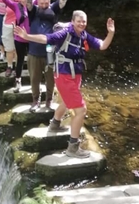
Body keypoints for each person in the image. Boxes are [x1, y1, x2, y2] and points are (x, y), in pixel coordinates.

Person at [14, 11, 115, 157]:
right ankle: (72, 148)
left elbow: (102, 45)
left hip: (75, 76)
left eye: (84, 21)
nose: (82, 24)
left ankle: (55, 124)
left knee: (67, 102)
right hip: (64, 76)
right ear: (72, 21)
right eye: (79, 21)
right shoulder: (65, 34)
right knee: (81, 110)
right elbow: (46, 38)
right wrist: (27, 36)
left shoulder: (84, 35)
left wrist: (110, 33)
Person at [26, 0, 70, 111]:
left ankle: (49, 100)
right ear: (38, 3)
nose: (44, 5)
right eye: (41, 3)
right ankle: (35, 100)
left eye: (46, 3)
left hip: (50, 50)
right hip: (33, 51)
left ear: (49, 1)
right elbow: (28, 5)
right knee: (34, 78)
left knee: (50, 78)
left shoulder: (53, 9)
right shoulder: (33, 12)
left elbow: (62, 2)